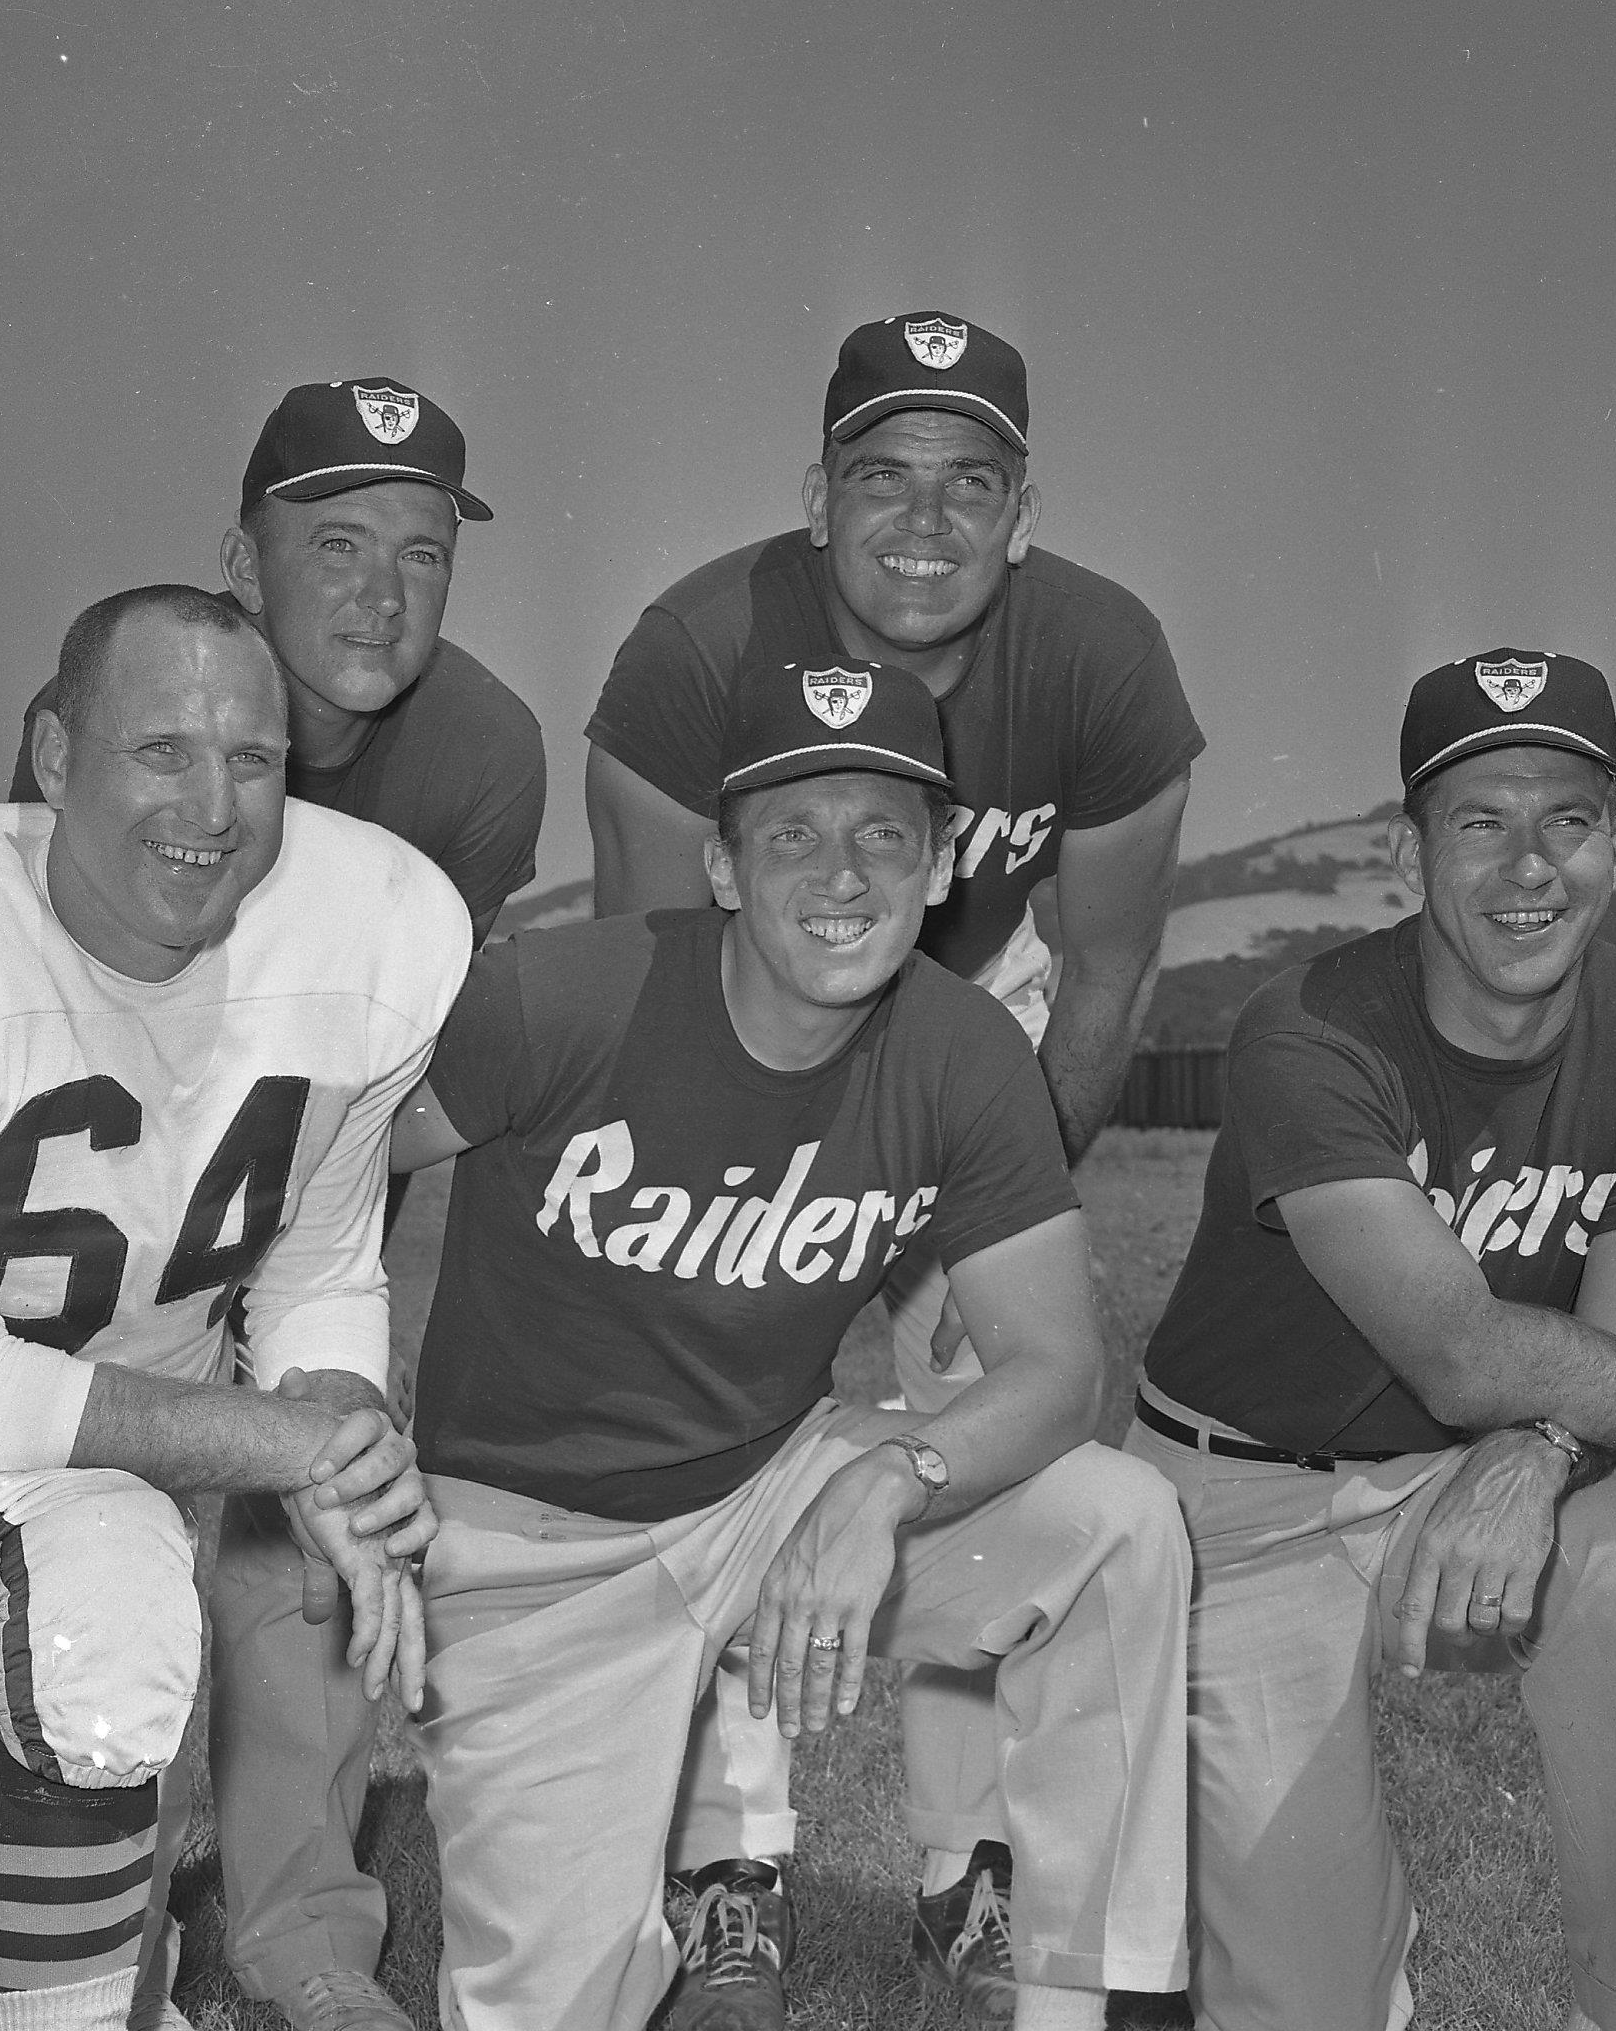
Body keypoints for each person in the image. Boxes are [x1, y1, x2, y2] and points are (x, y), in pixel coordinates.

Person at [391, 658, 1191, 2031]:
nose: (843, 872)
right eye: (793, 832)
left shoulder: (961, 1049)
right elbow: (337, 1164)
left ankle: (1094, 1999)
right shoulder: (556, 998)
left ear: (940, 865)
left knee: (1117, 1527)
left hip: (775, 1486)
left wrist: (892, 1479)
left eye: (884, 831)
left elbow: (1058, 1367)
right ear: (718, 864)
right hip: (535, 1546)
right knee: (549, 2006)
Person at [1129, 648, 1616, 2031]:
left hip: (1474, 1464)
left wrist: (1542, 1449)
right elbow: (1457, 1349)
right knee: (1305, 2005)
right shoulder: (1304, 1028)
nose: (1527, 865)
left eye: (1567, 816)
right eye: (1480, 820)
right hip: (1247, 1492)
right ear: (1408, 849)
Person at [584, 309, 1202, 2016]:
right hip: (744, 1018)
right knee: (729, 1407)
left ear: (1023, 507)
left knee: (987, 1421)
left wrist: (990, 1202)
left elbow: (1106, 975)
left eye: (969, 485)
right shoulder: (695, 647)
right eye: (881, 480)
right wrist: (771, 1221)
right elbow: (650, 973)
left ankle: (970, 1869)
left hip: (973, 1028)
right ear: (816, 494)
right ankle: (727, 1859)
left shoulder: (1099, 653)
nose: (923, 527)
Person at [7, 377, 544, 2031]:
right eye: (334, 543)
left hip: (319, 1166)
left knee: (313, 1515)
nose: (382, 593)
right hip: (121, 1177)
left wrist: (347, 1375)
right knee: (111, 1526)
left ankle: (305, 1940)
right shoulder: (125, 696)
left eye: (423, 550)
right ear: (240, 557)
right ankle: (118, 1892)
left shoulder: (479, 752)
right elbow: (61, 1030)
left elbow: (414, 1087)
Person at [0, 585, 472, 2031]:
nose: (213, 804)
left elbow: (317, 1262)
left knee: (114, 1586)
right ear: (50, 752)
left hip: (63, 1507)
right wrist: (289, 1453)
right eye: (161, 751)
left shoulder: (368, 928)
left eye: (255, 760)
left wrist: (332, 1420)